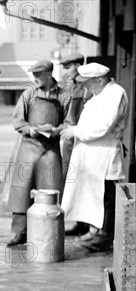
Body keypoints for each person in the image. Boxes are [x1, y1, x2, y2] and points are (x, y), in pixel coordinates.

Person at [60, 63, 129, 252]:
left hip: (105, 154)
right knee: (91, 194)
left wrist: (76, 131)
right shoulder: (99, 94)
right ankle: (94, 229)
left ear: (99, 79)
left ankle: (105, 236)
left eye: (88, 83)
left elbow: (103, 125)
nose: (85, 87)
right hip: (92, 155)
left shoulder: (116, 93)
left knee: (105, 196)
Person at [7, 60, 71, 246]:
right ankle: (20, 232)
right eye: (33, 75)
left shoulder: (64, 96)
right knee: (22, 189)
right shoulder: (28, 94)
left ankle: (49, 231)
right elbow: (17, 121)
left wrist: (56, 130)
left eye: (38, 75)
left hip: (51, 148)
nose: (34, 78)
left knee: (51, 189)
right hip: (29, 146)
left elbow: (69, 122)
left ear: (49, 74)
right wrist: (30, 129)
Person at [59, 52, 92, 236]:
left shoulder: (86, 87)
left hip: (81, 139)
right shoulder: (73, 87)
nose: (66, 71)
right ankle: (80, 221)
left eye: (68, 67)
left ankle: (87, 223)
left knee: (83, 180)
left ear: (79, 65)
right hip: (70, 139)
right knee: (71, 180)